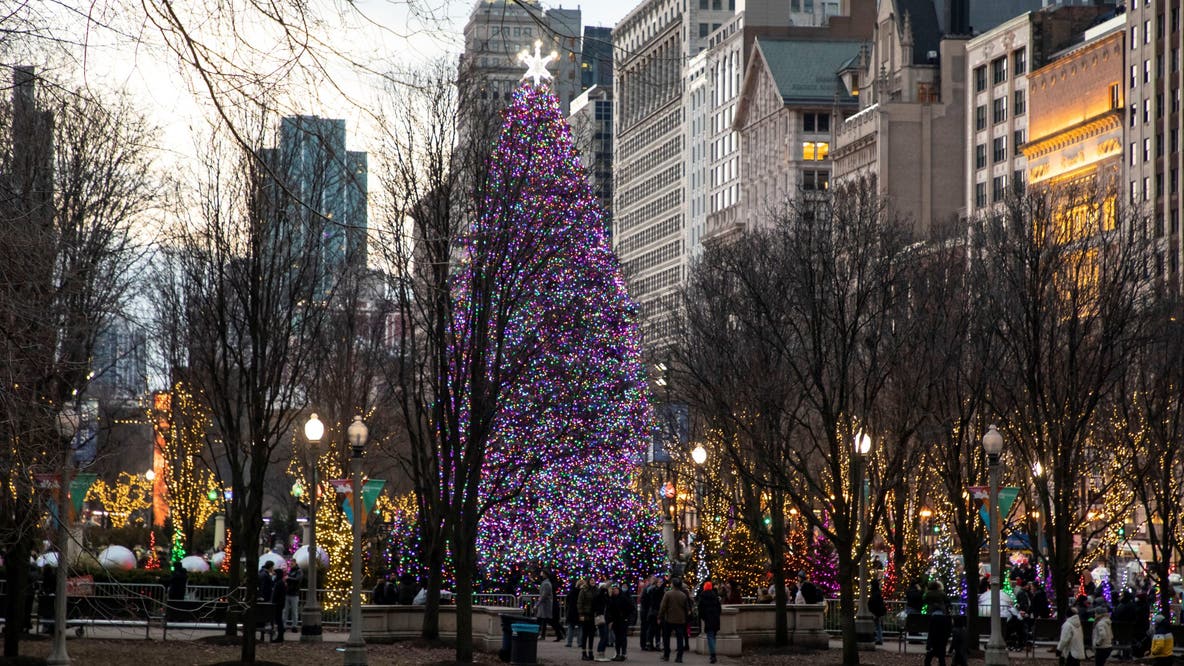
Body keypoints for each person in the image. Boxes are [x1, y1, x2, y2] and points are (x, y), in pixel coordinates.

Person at [658, 577, 691, 663]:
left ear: (673, 584)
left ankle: (666, 655)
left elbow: (663, 606)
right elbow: (687, 608)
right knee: (680, 638)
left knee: (666, 638)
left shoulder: (668, 594)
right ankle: (679, 657)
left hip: (669, 619)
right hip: (680, 620)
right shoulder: (683, 595)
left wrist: (659, 616)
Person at [923, 581, 950, 666]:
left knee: (933, 635)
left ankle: (930, 655)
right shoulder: (941, 594)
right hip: (941, 616)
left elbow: (924, 600)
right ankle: (941, 659)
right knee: (941, 637)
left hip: (932, 616)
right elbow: (948, 602)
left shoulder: (927, 594)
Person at [697, 580, 722, 664]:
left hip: (708, 619)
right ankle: (713, 652)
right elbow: (719, 609)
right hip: (715, 619)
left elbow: (700, 610)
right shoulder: (715, 596)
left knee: (710, 636)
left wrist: (703, 617)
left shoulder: (702, 596)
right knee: (713, 636)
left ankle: (713, 655)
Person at [535, 571, 564, 641]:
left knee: (551, 621)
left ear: (545, 575)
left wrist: (537, 605)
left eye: (542, 573)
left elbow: (544, 596)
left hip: (546, 606)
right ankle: (538, 635)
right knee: (541, 620)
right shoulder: (545, 583)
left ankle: (560, 635)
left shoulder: (547, 584)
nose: (540, 574)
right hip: (544, 606)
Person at [607, 582, 632, 661]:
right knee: (617, 638)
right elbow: (609, 611)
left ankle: (623, 653)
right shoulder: (611, 599)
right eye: (613, 589)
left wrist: (626, 617)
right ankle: (618, 653)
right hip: (615, 621)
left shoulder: (623, 598)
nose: (615, 591)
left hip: (623, 620)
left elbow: (631, 608)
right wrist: (610, 620)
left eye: (616, 589)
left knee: (623, 637)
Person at [645, 576, 666, 651]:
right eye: (659, 582)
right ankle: (650, 644)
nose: (661, 584)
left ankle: (657, 644)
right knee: (652, 629)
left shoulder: (660, 591)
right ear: (656, 583)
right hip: (654, 612)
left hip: (658, 611)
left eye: (661, 582)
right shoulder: (653, 590)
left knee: (657, 629)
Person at [578, 578, 597, 661]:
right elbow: (580, 602)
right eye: (591, 580)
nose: (593, 582)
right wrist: (581, 614)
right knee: (585, 634)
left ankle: (591, 652)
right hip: (586, 614)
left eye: (594, 580)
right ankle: (584, 653)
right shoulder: (584, 590)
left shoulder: (597, 590)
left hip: (594, 615)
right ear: (588, 582)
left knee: (592, 635)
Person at [593, 582, 611, 661]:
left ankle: (602, 654)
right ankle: (599, 654)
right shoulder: (598, 596)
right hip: (600, 617)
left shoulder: (605, 597)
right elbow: (599, 595)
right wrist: (604, 587)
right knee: (603, 637)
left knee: (605, 637)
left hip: (605, 618)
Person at [868, 578, 887, 646]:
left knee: (877, 626)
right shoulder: (878, 592)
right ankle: (879, 638)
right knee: (878, 625)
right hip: (877, 611)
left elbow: (874, 603)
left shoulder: (875, 593)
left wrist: (873, 611)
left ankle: (878, 639)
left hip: (875, 612)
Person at [271, 569, 287, 642]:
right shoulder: (281, 582)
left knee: (279, 620)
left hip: (278, 604)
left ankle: (280, 636)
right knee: (279, 620)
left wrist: (273, 601)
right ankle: (280, 636)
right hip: (280, 603)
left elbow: (276, 594)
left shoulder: (279, 583)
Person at [639, 577, 654, 651]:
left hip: (648, 611)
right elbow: (644, 601)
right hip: (645, 611)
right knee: (645, 628)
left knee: (649, 629)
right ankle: (644, 644)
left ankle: (648, 643)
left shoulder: (650, 589)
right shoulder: (647, 589)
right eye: (653, 579)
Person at [566, 579, 583, 648]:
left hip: (572, 611)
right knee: (581, 628)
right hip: (580, 611)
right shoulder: (583, 592)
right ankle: (580, 642)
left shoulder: (572, 592)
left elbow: (568, 600)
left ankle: (569, 642)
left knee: (571, 627)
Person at [284, 564, 302, 629]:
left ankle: (294, 625)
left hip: (294, 593)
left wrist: (288, 578)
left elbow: (297, 579)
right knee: (286, 610)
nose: (290, 565)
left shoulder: (298, 571)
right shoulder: (290, 571)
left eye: (292, 563)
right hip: (289, 592)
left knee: (294, 611)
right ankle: (285, 624)